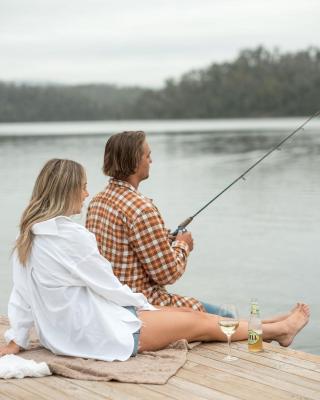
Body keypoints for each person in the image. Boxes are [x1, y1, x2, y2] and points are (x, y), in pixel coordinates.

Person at [0, 159, 310, 362]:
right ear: (67, 191)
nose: (87, 193)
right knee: (203, 324)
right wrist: (144, 306)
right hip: (100, 335)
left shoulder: (31, 236)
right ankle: (276, 332)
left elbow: (21, 297)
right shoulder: (70, 237)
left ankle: (273, 323)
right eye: (82, 186)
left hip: (64, 335)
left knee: (193, 317)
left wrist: (17, 339)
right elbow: (109, 287)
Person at [86, 130, 219, 314]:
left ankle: (273, 328)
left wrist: (165, 240)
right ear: (134, 161)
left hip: (109, 300)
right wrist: (183, 245)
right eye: (148, 155)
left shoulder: (98, 201)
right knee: (225, 316)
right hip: (141, 304)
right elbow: (167, 273)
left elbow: (129, 248)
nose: (151, 161)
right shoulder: (142, 209)